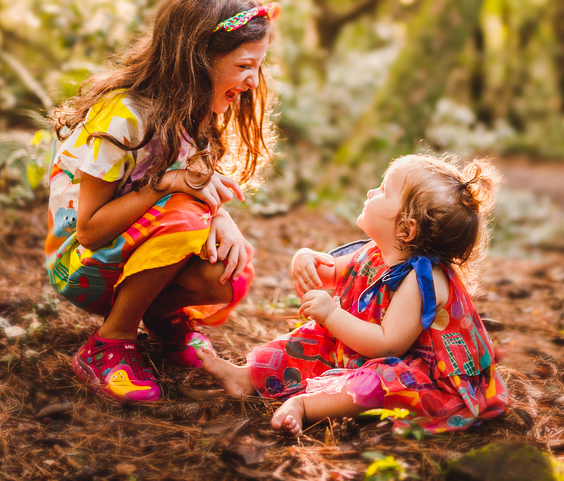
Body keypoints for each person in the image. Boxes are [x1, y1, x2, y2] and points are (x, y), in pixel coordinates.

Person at [44, 0, 276, 403]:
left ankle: (164, 323)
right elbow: (90, 230)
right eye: (244, 66)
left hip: (129, 248)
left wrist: (219, 217)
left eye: (257, 67)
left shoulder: (197, 113)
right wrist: (171, 185)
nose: (251, 82)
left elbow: (189, 186)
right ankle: (109, 343)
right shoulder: (124, 115)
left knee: (229, 271)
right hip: (79, 261)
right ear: (196, 60)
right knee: (185, 219)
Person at [199, 154, 509, 435]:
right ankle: (247, 378)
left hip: (423, 376)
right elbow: (331, 270)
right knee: (314, 336)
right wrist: (305, 258)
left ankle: (308, 407)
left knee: (379, 381)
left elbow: (387, 344)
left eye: (383, 190)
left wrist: (332, 315)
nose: (371, 193)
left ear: (406, 229)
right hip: (371, 352)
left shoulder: (422, 281)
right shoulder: (376, 253)